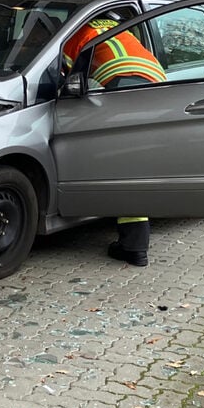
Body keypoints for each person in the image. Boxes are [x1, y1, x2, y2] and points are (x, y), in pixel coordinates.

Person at [62, 15, 167, 267]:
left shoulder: (72, 37)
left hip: (126, 88)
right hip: (161, 85)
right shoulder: (119, 28)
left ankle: (133, 248)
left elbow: (64, 79)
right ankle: (135, 244)